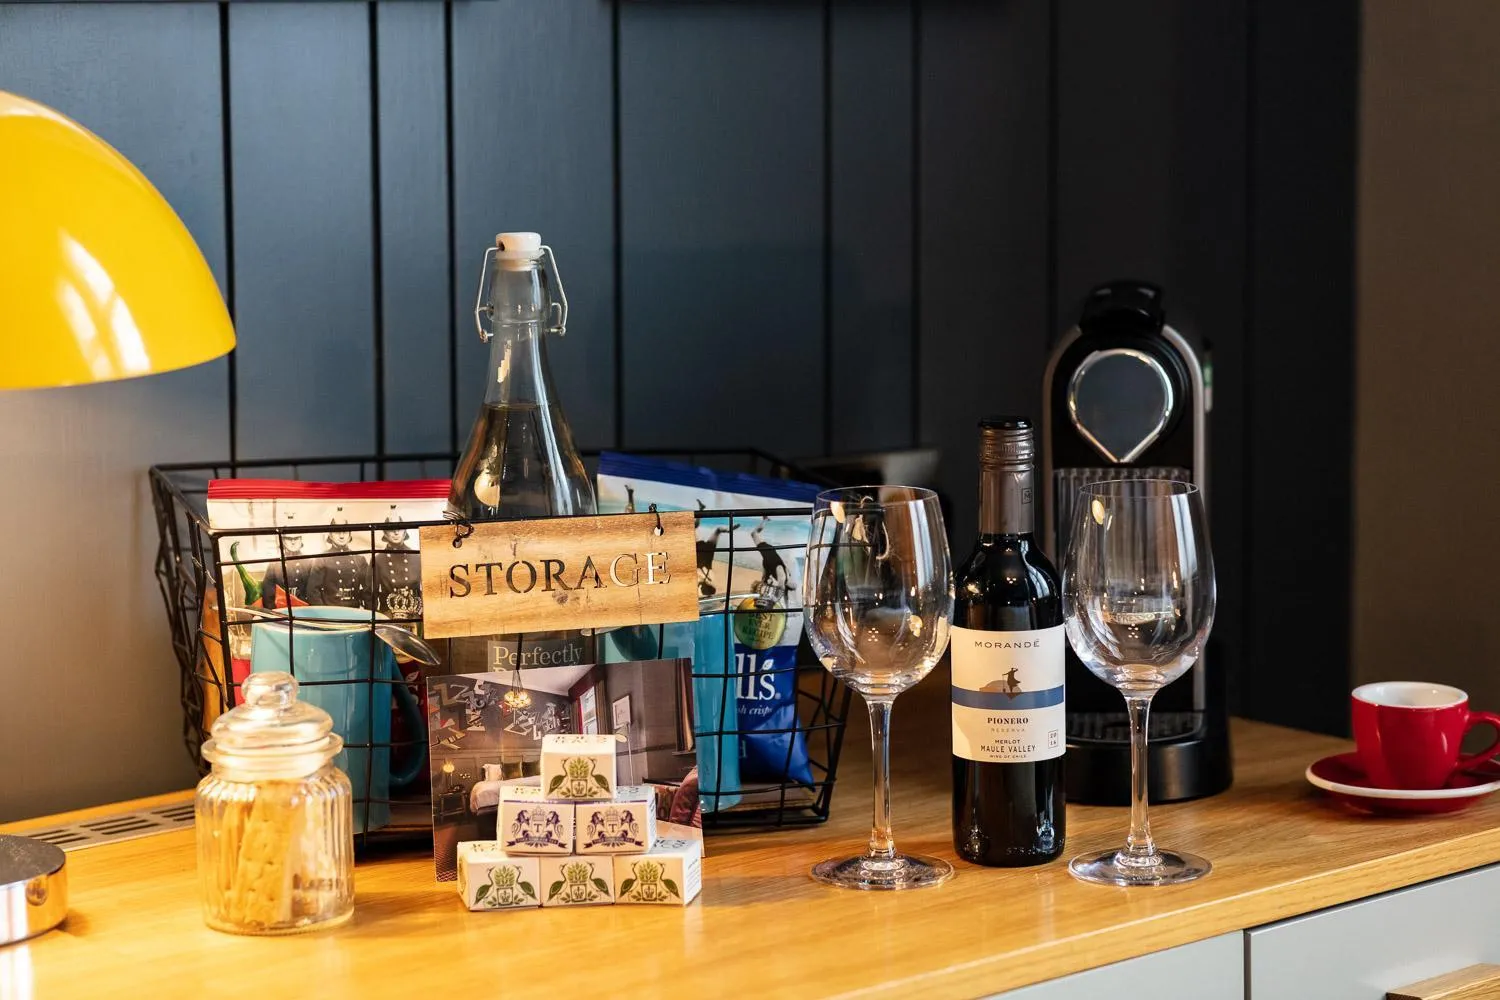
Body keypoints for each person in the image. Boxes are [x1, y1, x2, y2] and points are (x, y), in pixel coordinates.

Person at [306, 515, 372, 608]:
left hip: (354, 612)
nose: (341, 536)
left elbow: (368, 591)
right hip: (331, 611)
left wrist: (369, 614)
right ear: (330, 534)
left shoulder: (359, 559)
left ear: (349, 534)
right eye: (337, 532)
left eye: (345, 532)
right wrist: (323, 614)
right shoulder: (322, 559)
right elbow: (313, 591)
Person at [374, 512, 421, 618]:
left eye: (399, 529)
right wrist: (375, 618)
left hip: (413, 612)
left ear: (404, 532)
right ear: (385, 533)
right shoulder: (378, 559)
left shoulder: (416, 556)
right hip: (388, 613)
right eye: (391, 529)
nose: (396, 533)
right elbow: (371, 594)